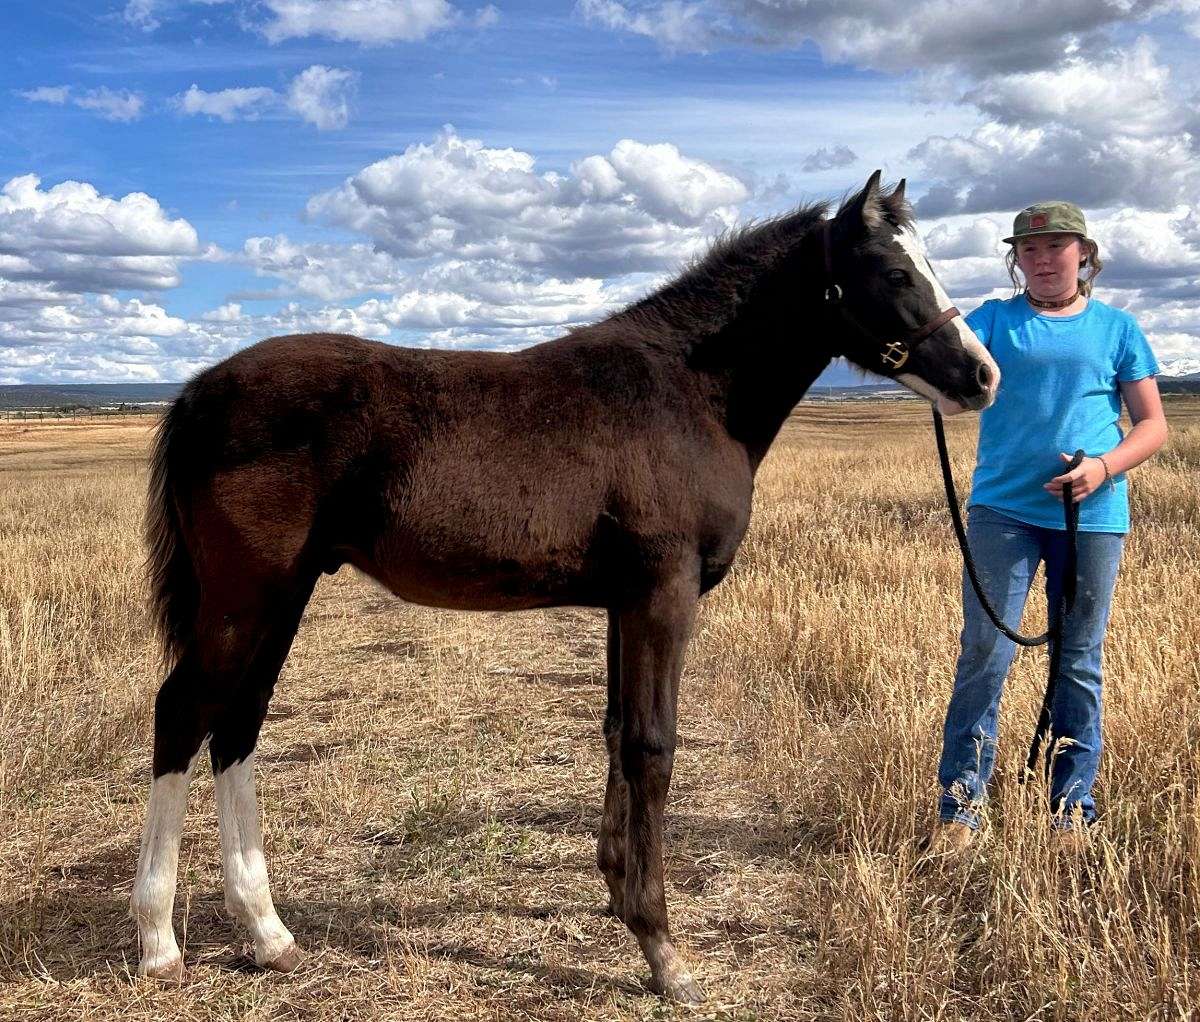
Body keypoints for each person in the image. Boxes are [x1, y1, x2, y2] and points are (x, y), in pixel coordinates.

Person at [924, 201, 1169, 854]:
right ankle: (960, 808)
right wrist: (933, 379)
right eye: (1028, 249)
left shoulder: (1118, 328)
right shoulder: (995, 320)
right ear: (1016, 260)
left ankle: (1070, 810)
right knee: (985, 653)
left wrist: (1103, 468)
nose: (1041, 258)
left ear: (1083, 254)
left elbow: (1152, 426)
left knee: (1079, 661)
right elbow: (953, 388)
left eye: (1055, 246)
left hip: (1092, 517)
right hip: (1002, 511)